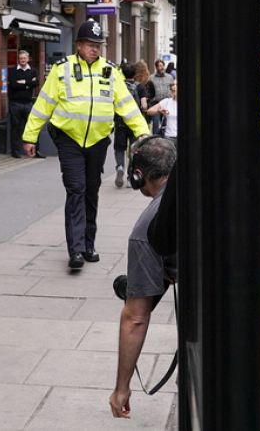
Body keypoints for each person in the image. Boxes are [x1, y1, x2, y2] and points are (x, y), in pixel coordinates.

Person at [22, 19, 149, 269]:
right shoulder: (62, 70)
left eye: (98, 45)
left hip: (98, 141)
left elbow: (127, 106)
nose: (95, 49)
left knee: (91, 192)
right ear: (78, 45)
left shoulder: (110, 72)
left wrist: (142, 134)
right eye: (90, 44)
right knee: (76, 190)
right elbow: (43, 104)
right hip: (69, 139)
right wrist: (30, 136)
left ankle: (89, 244)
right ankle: (76, 250)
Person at [109, 136, 178, 419]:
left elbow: (136, 318)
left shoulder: (146, 230)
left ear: (138, 175)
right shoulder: (200, 187)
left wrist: (121, 388)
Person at [112, 63, 141, 187]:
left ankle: (120, 166)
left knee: (119, 148)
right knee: (133, 150)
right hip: (133, 123)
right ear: (134, 74)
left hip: (120, 123)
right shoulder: (139, 87)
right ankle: (130, 177)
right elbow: (143, 105)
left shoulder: (117, 87)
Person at [6, 49, 38, 159]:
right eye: (21, 58)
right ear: (18, 60)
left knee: (31, 127)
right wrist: (28, 83)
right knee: (16, 128)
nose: (23, 60)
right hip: (15, 103)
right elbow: (14, 85)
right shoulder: (12, 71)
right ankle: (16, 151)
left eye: (24, 58)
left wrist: (23, 83)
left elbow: (36, 83)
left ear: (28, 59)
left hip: (28, 103)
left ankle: (35, 151)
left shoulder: (33, 70)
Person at [146, 59, 173, 135]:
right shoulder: (151, 78)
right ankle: (155, 138)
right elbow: (148, 90)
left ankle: (165, 138)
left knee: (167, 123)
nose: (161, 67)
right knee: (156, 123)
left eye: (162, 66)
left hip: (167, 104)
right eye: (159, 66)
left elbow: (173, 88)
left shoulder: (169, 77)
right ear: (156, 67)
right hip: (156, 103)